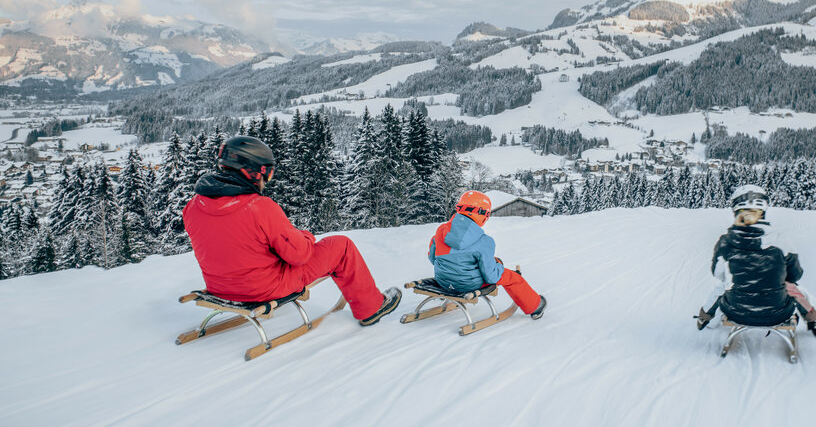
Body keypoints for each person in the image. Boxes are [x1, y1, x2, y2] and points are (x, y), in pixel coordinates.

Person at [183, 135, 400, 326]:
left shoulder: (193, 206)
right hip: (265, 289)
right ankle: (371, 308)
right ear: (252, 172)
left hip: (218, 288)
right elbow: (299, 255)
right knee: (341, 246)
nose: (265, 181)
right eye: (266, 174)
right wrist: (306, 236)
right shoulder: (258, 207)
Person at [696, 185, 816, 337]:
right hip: (778, 313)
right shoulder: (782, 241)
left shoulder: (726, 242)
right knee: (792, 288)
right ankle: (815, 320)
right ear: (764, 211)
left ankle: (706, 319)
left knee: (723, 287)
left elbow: (718, 274)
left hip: (736, 312)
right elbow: (795, 275)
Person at [428, 190, 546, 319]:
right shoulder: (485, 241)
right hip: (467, 285)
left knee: (481, 264)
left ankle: (452, 286)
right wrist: (499, 266)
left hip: (443, 281)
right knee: (512, 277)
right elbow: (491, 277)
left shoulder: (441, 231)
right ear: (483, 214)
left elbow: (433, 258)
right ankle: (535, 306)